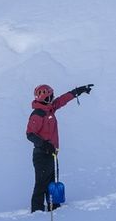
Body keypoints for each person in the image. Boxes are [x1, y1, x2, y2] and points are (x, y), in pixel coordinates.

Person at [26, 83, 93, 212]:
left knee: (52, 181)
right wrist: (45, 145)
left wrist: (78, 91)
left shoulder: (50, 109)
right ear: (45, 98)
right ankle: (37, 210)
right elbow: (30, 134)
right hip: (41, 154)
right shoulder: (38, 114)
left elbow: (62, 100)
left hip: (52, 153)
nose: (53, 97)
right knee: (41, 183)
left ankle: (54, 207)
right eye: (51, 95)